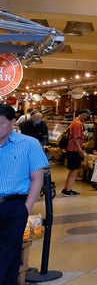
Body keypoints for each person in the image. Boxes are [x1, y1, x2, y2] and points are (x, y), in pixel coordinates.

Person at [0, 104, 48, 285]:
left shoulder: (29, 144)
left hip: (14, 206)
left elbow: (37, 179)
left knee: (9, 257)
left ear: (13, 122)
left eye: (0, 123)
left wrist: (25, 209)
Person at [62, 109, 91, 197]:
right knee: (75, 169)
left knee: (73, 169)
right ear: (82, 114)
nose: (87, 117)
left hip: (71, 149)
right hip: (73, 149)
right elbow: (75, 138)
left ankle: (66, 188)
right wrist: (80, 150)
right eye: (86, 115)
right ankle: (68, 190)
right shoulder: (78, 124)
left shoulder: (76, 122)